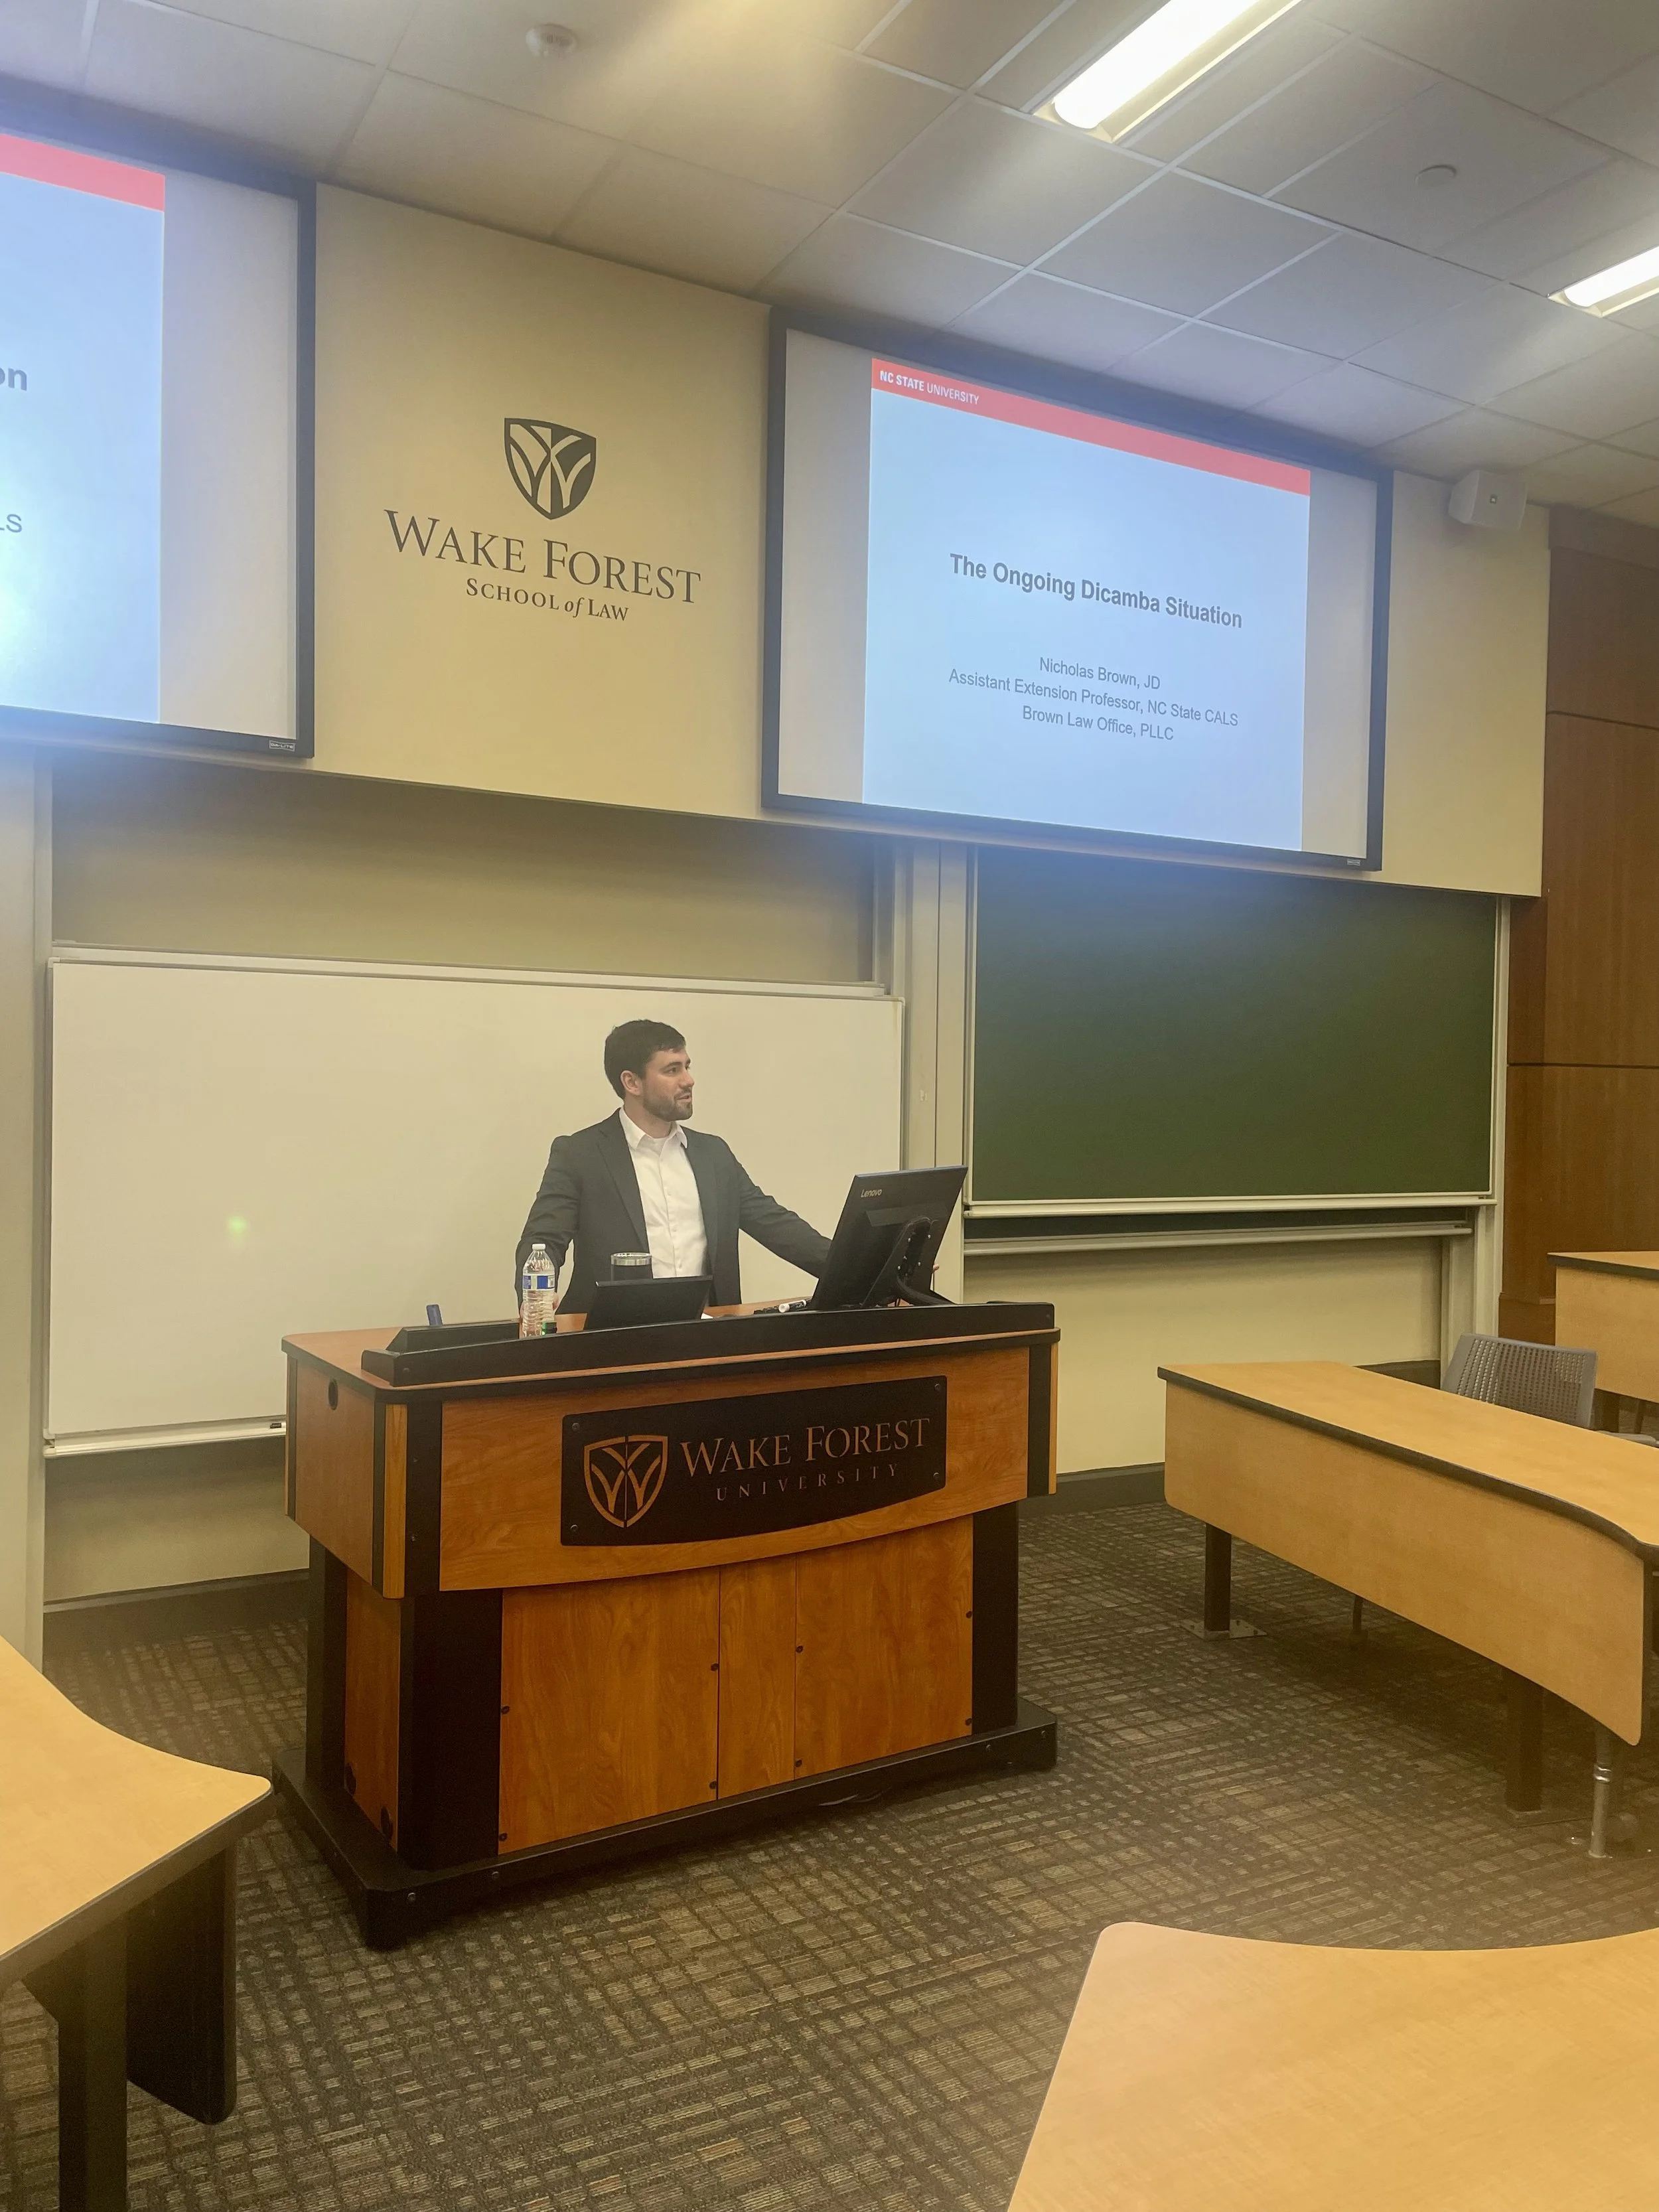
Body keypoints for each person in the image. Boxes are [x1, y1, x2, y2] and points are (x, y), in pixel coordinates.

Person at [515, 1017, 831, 1316]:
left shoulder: (713, 1154)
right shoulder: (581, 1154)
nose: (688, 1080)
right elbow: (544, 1239)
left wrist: (858, 1274)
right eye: (672, 1070)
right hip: (608, 1334)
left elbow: (777, 1226)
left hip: (704, 1333)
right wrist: (535, 1301)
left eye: (687, 1067)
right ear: (632, 1082)